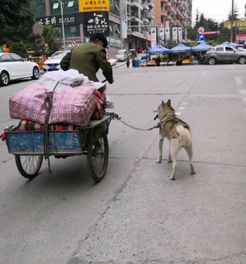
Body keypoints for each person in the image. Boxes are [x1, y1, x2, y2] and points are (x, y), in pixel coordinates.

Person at [60, 33, 114, 107]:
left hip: (71, 83)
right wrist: (110, 79)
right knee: (102, 95)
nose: (103, 47)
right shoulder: (98, 49)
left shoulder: (76, 49)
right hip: (87, 82)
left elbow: (63, 65)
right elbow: (106, 67)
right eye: (102, 44)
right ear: (98, 41)